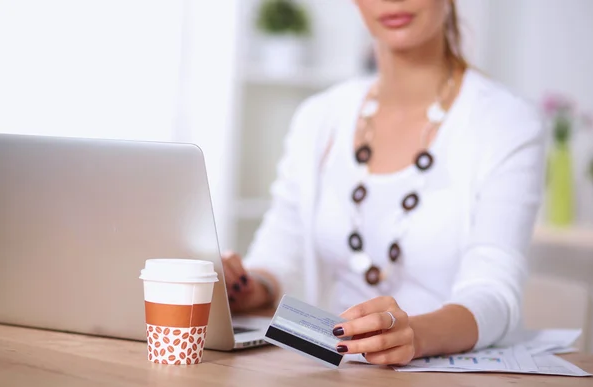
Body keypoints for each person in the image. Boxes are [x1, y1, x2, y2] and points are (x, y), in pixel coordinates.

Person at [223, 0, 545, 366]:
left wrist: (414, 335)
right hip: (337, 373)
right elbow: (278, 255)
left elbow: (494, 293)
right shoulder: (319, 117)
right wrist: (249, 287)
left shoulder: (507, 122)